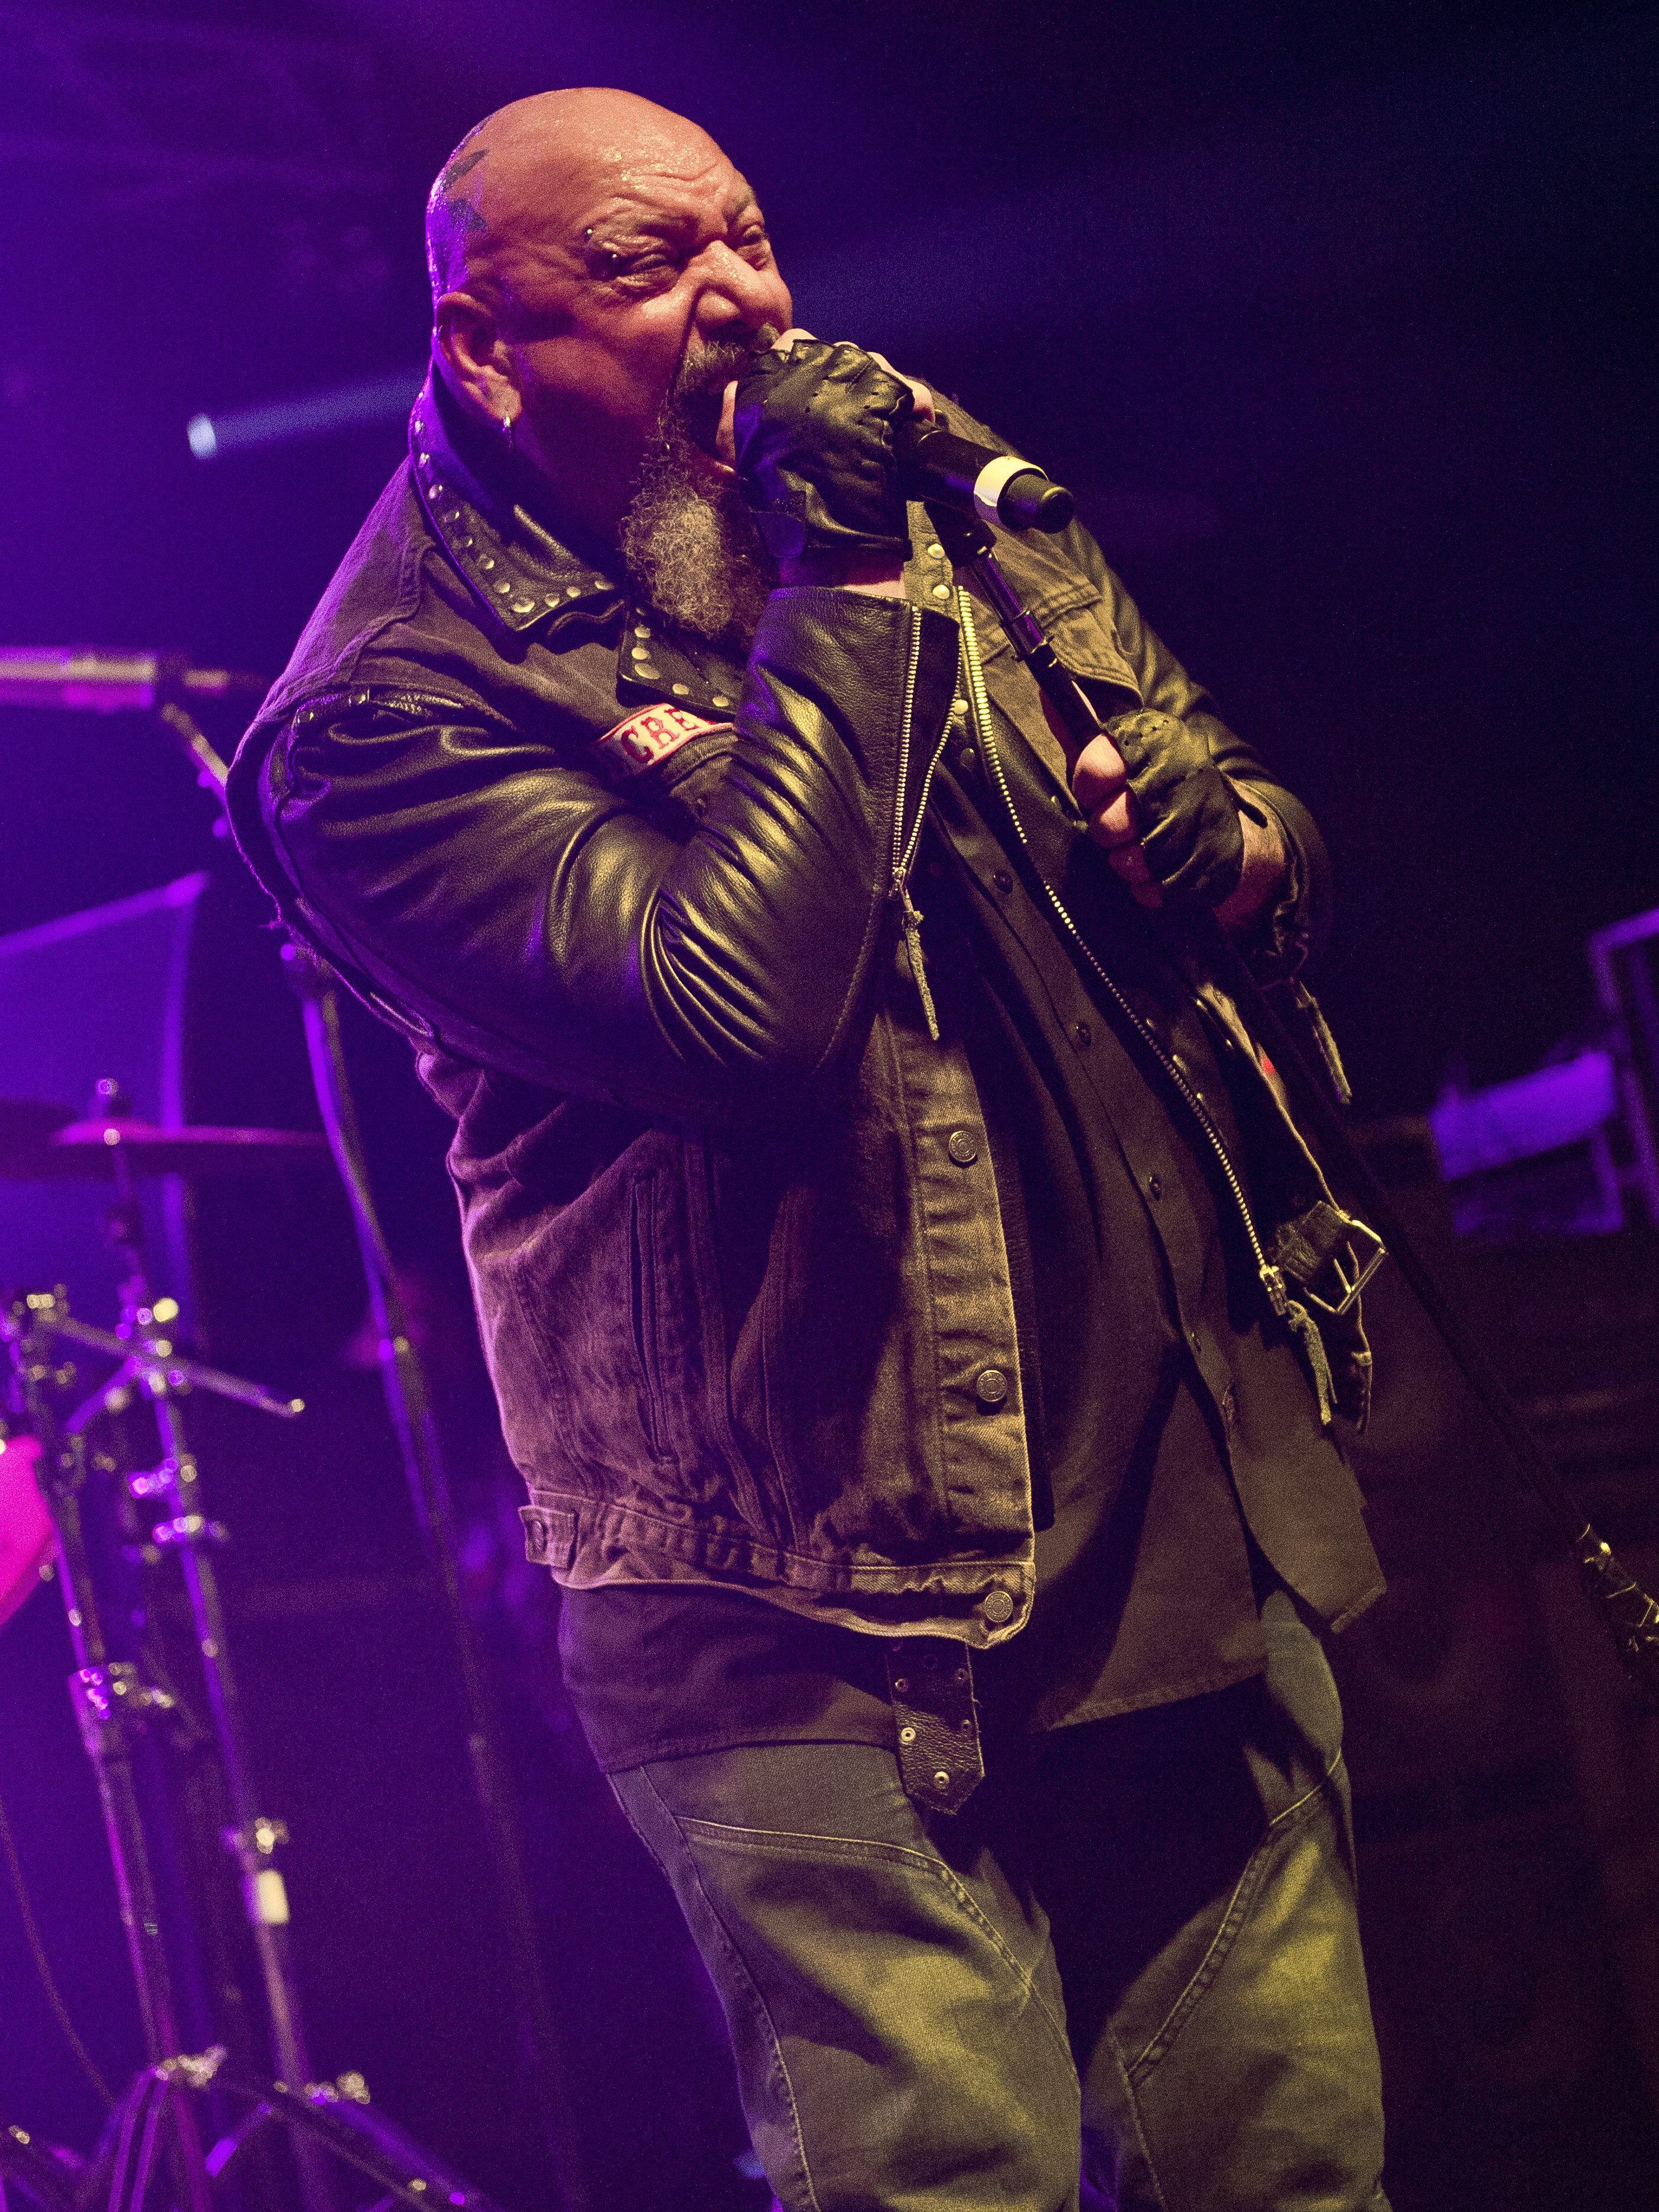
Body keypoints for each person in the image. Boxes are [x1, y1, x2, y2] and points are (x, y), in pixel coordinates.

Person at [227, 87, 1391, 2212]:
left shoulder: (909, 481)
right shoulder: (384, 711)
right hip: (808, 1619)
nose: (741, 299)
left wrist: (1232, 846)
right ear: (482, 344)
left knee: (1298, 2182)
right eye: (648, 265)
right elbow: (735, 1007)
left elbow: (1256, 812)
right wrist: (851, 582)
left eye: (751, 237)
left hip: (1173, 1531)